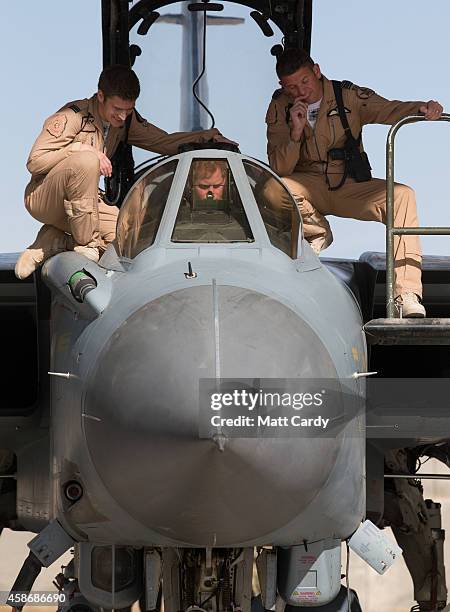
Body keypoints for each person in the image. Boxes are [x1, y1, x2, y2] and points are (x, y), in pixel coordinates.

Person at [265, 48, 444, 317]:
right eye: (292, 87)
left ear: (316, 71)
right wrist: (296, 131)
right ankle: (316, 231)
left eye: (304, 81)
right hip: (308, 184)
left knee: (403, 195)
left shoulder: (346, 95)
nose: (300, 91)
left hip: (349, 183)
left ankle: (406, 294)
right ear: (282, 86)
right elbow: (279, 168)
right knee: (271, 187)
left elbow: (387, 109)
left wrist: (422, 108)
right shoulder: (280, 106)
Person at [15, 65, 235, 279]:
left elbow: (162, 141)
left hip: (84, 203)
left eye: (128, 110)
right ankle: (86, 244)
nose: (122, 116)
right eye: (117, 109)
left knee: (127, 243)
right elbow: (35, 162)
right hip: (45, 197)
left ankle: (54, 241)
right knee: (85, 161)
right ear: (101, 96)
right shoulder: (74, 116)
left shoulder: (124, 121)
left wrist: (208, 138)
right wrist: (81, 149)